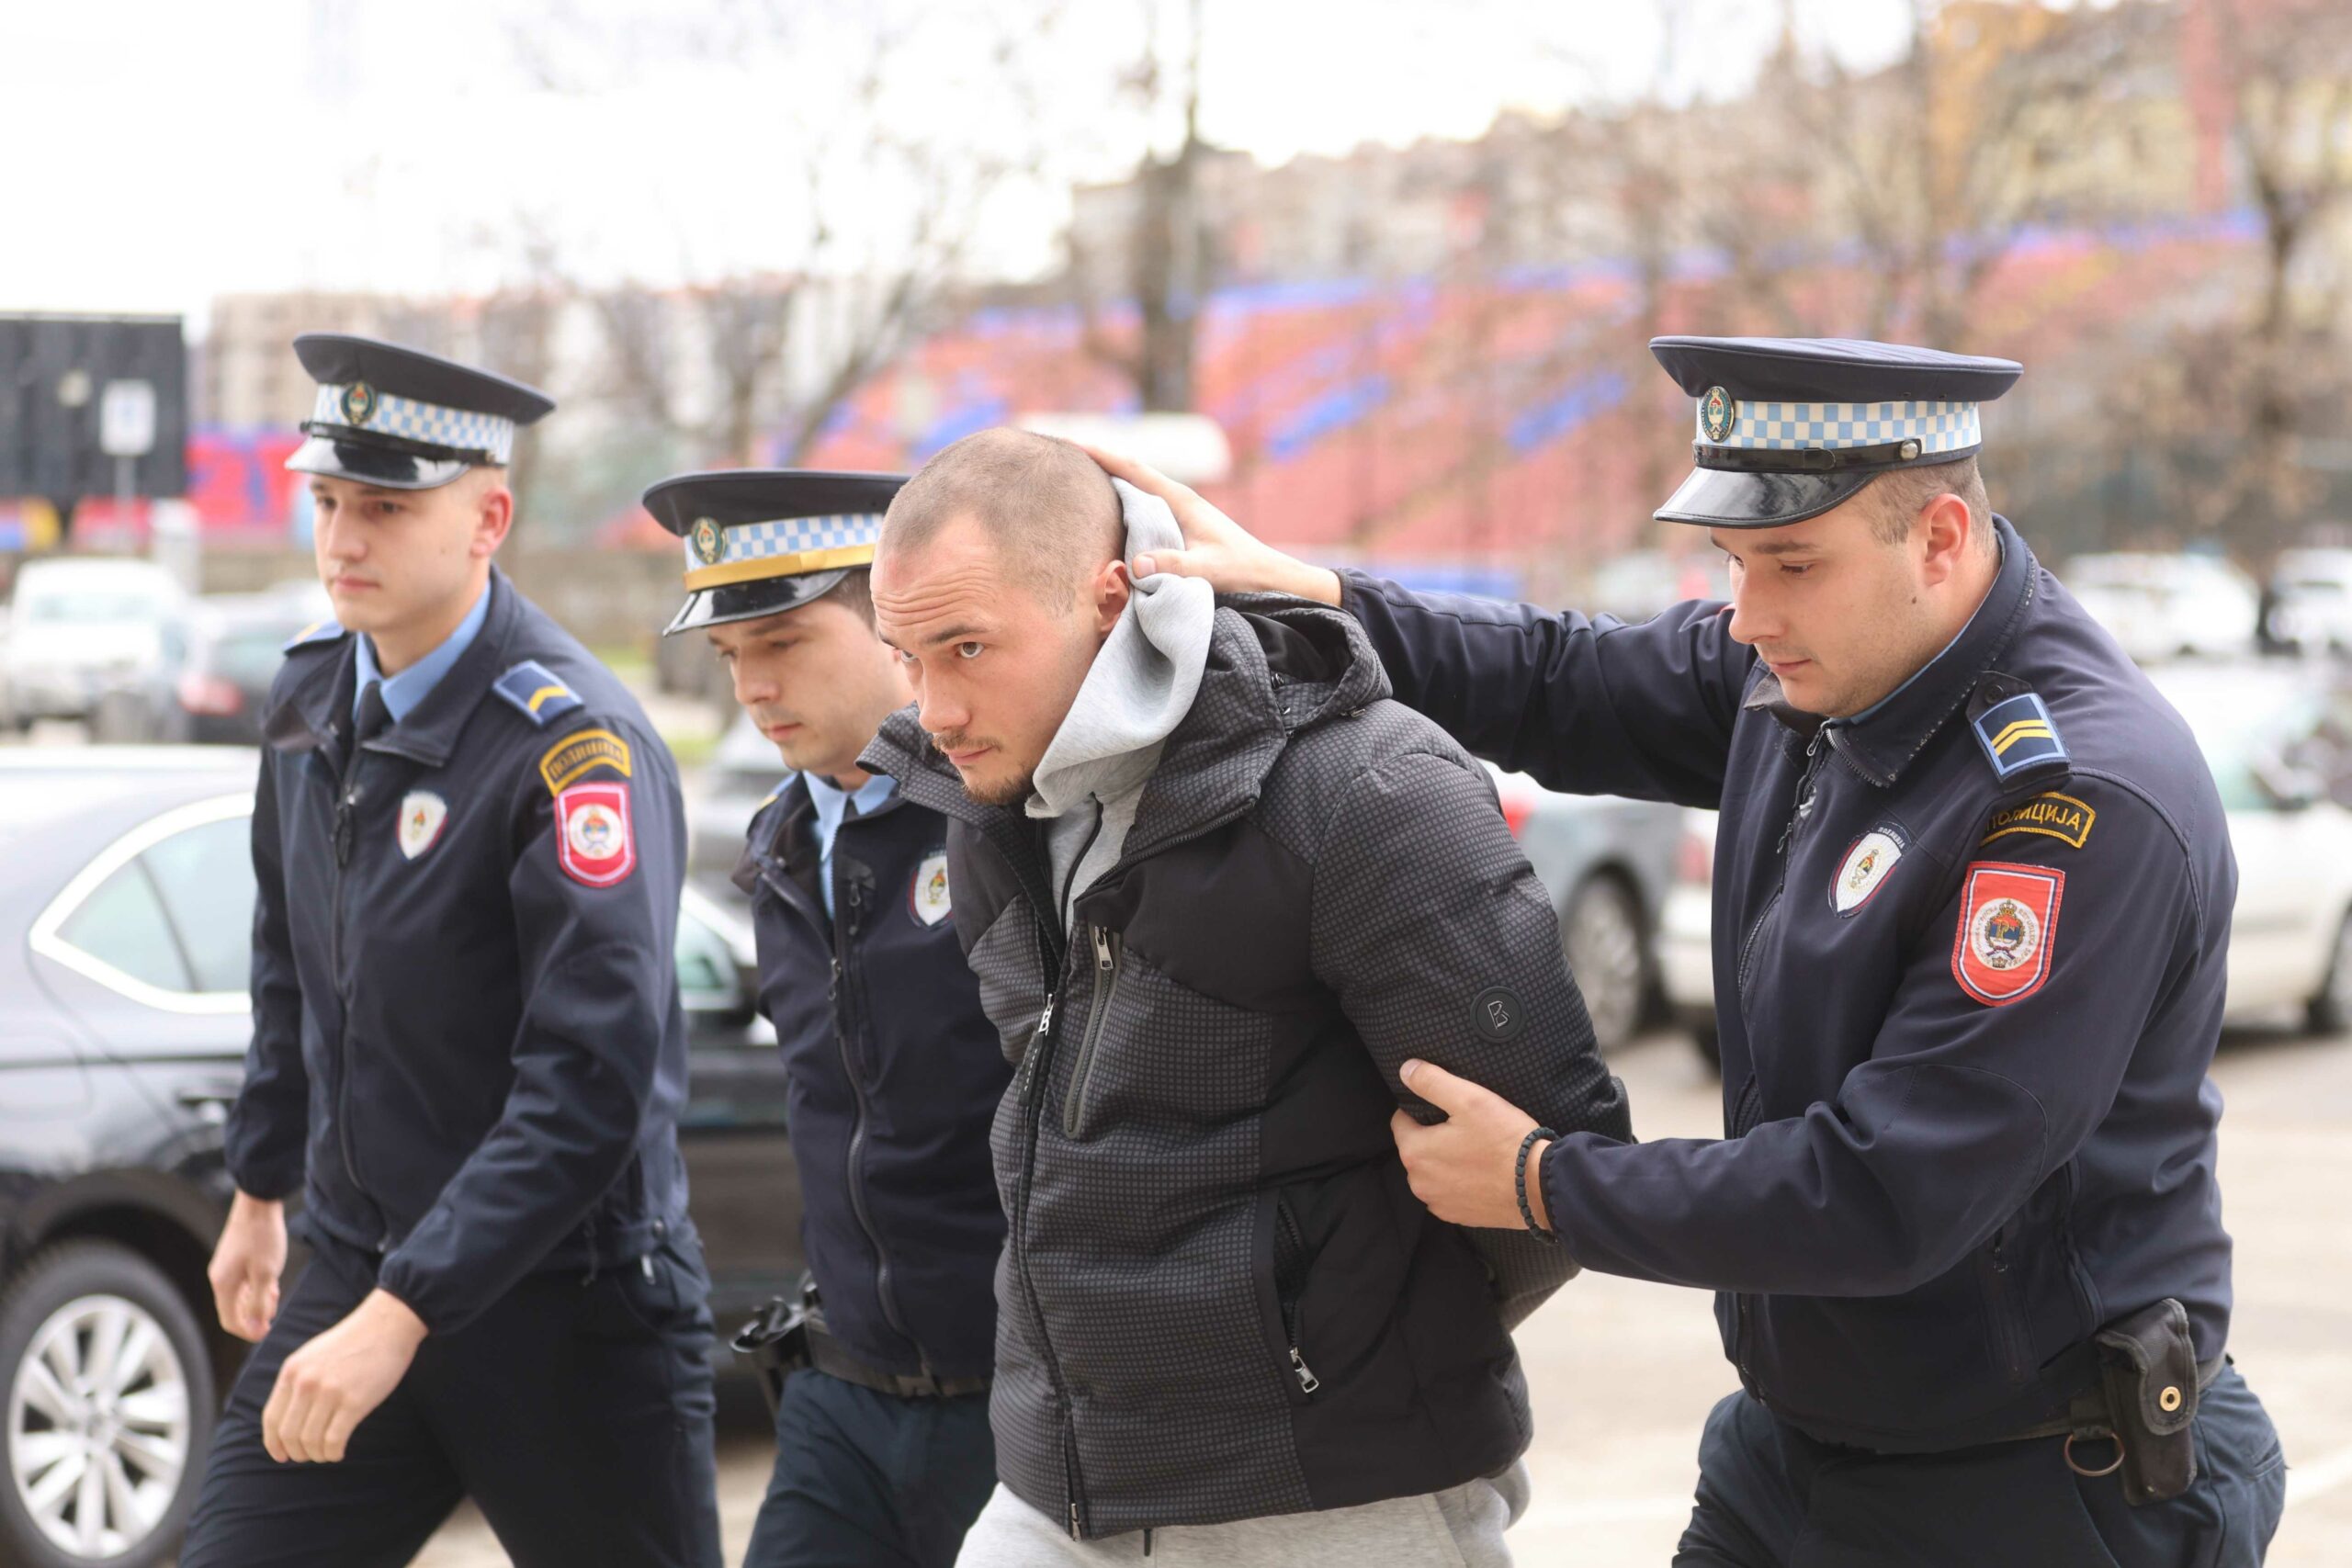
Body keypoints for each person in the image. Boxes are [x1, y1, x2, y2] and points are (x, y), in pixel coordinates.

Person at [1094, 335, 2288, 1566]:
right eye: (1733, 561)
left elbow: (1891, 1188)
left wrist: (1547, 1184)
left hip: (2033, 1489)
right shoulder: (1822, 660)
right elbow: (1567, 680)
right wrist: (1319, 598)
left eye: (1792, 562)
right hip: (1796, 1451)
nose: (1748, 613)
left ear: (1939, 539)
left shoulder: (2073, 799)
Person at [858, 428, 1633, 1564]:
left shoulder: (1362, 790)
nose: (934, 705)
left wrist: (1321, 1352)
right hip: (1061, 1490)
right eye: (906, 655)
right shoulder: (991, 805)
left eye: (968, 647)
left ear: (1112, 597)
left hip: (1336, 1500)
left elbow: (1547, 1166)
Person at [183, 334, 720, 1568]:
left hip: (569, 1307)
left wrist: (405, 1308)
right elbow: (291, 957)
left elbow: (591, 1079)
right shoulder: (316, 691)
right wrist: (261, 1185)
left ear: (489, 517)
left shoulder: (571, 741)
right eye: (326, 501)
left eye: (384, 506)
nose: (342, 540)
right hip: (365, 1269)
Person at [645, 468, 1009, 1567]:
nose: (753, 686)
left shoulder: (997, 822)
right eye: (729, 656)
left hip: (1020, 1406)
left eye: (784, 642)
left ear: (892, 628)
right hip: (839, 1397)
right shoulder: (782, 845)